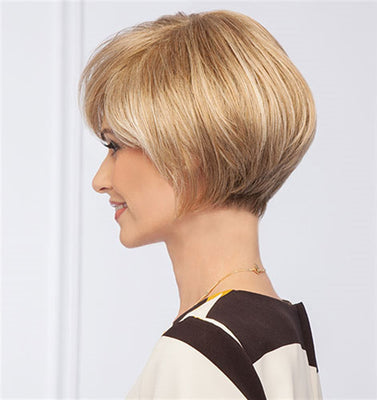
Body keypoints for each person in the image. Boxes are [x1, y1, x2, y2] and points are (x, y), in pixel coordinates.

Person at [78, 9, 323, 399]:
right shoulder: (280, 330)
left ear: (186, 148)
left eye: (115, 146)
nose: (100, 180)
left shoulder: (201, 353)